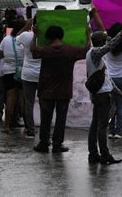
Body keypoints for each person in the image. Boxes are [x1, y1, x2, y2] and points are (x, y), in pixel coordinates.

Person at [31, 25, 90, 153]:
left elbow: (33, 51)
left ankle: (43, 143)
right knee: (61, 118)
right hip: (64, 90)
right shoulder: (70, 51)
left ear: (48, 37)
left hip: (46, 89)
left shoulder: (45, 51)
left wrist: (35, 34)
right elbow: (86, 50)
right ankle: (57, 144)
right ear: (62, 35)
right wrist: (87, 34)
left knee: (45, 118)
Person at [87, 28, 122, 164]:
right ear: (101, 42)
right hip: (102, 96)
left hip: (99, 94)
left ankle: (93, 154)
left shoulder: (94, 55)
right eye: (105, 40)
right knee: (101, 126)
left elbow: (107, 78)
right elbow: (111, 46)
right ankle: (104, 154)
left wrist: (119, 92)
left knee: (95, 125)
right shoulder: (95, 53)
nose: (107, 43)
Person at [0, 20, 25, 133]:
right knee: (23, 99)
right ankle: (28, 126)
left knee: (10, 98)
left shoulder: (6, 39)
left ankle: (7, 126)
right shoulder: (25, 40)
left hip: (8, 71)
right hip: (23, 71)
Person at [16, 19, 41, 138]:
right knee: (45, 103)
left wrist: (26, 26)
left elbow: (16, 37)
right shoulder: (47, 37)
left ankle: (30, 129)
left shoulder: (25, 35)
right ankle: (45, 127)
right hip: (43, 75)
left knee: (29, 103)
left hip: (27, 74)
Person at [106, 22, 122, 139]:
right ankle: (119, 130)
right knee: (121, 106)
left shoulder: (108, 44)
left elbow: (100, 27)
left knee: (112, 106)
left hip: (110, 78)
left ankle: (111, 130)